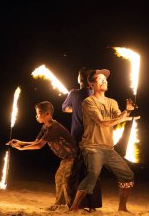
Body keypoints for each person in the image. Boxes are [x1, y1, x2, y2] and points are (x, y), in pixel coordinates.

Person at [70, 69, 135, 212]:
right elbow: (102, 122)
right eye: (100, 79)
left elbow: (118, 118)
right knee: (93, 175)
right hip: (92, 146)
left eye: (105, 79)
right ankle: (74, 207)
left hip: (108, 148)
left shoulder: (112, 102)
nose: (104, 80)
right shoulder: (88, 102)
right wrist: (123, 117)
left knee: (128, 175)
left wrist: (127, 111)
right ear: (92, 84)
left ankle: (122, 208)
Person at [7, 101, 77, 211]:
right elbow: (36, 142)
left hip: (74, 157)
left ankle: (69, 206)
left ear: (48, 114)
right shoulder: (45, 127)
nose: (37, 116)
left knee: (65, 180)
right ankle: (59, 205)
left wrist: (22, 148)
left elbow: (39, 146)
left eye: (39, 113)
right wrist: (20, 142)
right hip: (66, 158)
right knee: (59, 178)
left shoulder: (54, 128)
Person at [62, 67, 102, 212]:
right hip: (94, 137)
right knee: (92, 171)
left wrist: (75, 108)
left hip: (78, 137)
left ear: (79, 79)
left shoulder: (73, 93)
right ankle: (92, 206)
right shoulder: (97, 94)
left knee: (75, 171)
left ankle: (75, 204)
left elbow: (65, 108)